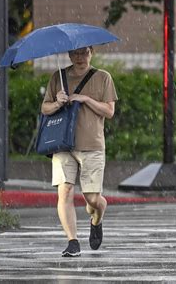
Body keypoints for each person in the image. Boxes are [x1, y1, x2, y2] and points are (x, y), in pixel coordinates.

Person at [41, 46, 118, 257]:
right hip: (63, 144)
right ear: (68, 55)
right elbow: (44, 108)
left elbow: (109, 111)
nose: (79, 57)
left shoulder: (103, 77)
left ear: (91, 53)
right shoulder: (58, 77)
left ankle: (97, 217)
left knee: (92, 199)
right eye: (75, 53)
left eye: (84, 53)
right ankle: (72, 242)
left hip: (92, 145)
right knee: (64, 192)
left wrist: (85, 99)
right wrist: (58, 102)